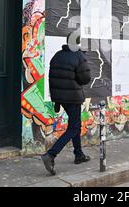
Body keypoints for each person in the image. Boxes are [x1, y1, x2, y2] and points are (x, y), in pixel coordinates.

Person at [41, 33, 91, 176]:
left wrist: (56, 99)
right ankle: (50, 155)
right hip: (73, 97)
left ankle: (79, 154)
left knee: (75, 125)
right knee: (74, 127)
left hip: (61, 98)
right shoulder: (79, 56)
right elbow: (85, 78)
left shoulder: (57, 56)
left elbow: (52, 78)